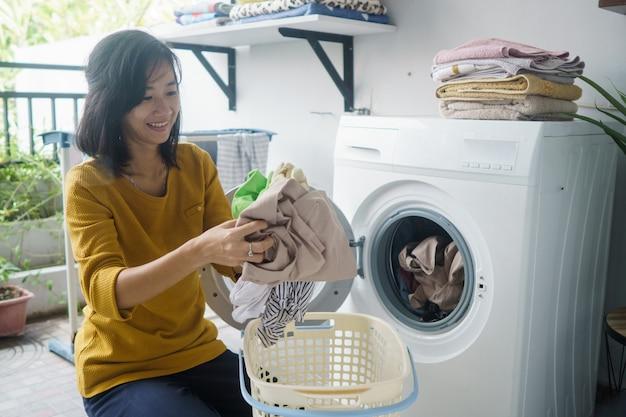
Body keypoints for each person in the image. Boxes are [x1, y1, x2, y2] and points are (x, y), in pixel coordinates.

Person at [65, 29, 273, 417]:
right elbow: (106, 292)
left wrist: (265, 244)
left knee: (283, 401)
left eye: (171, 92)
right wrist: (199, 250)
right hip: (120, 371)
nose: (164, 109)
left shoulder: (195, 163)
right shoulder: (87, 183)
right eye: (146, 98)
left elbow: (229, 262)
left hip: (195, 351)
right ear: (112, 103)